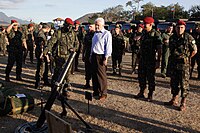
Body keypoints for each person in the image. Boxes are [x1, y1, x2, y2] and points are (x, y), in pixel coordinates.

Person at [164, 20, 197, 111]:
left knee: (184, 84)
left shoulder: (188, 38)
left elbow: (194, 50)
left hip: (184, 65)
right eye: (178, 28)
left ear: (184, 28)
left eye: (181, 28)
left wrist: (187, 58)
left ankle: (183, 102)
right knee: (174, 82)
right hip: (174, 63)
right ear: (175, 28)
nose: (179, 29)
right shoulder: (173, 37)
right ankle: (174, 99)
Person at [42, 18, 79, 96]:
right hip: (58, 58)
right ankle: (54, 91)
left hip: (69, 58)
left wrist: (74, 49)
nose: (69, 28)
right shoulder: (58, 32)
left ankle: (65, 91)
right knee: (57, 74)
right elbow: (51, 43)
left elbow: (77, 43)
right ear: (65, 24)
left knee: (67, 75)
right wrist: (45, 52)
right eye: (68, 26)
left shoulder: (73, 33)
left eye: (71, 26)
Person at [136, 17, 162, 102]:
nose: (144, 25)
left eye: (145, 24)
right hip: (142, 59)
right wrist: (138, 56)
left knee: (150, 78)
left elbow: (159, 49)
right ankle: (142, 91)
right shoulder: (143, 33)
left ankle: (150, 94)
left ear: (150, 25)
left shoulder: (156, 34)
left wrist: (158, 61)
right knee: (141, 76)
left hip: (151, 60)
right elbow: (141, 46)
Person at [90, 18, 112, 100]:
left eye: (98, 25)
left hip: (101, 56)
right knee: (94, 75)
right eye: (95, 25)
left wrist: (106, 58)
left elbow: (108, 47)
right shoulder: (95, 34)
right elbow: (93, 46)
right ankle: (96, 91)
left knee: (101, 75)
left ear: (102, 25)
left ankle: (103, 93)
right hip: (94, 55)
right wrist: (91, 55)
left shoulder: (106, 34)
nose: (96, 26)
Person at [34, 23, 51, 89]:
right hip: (41, 54)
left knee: (45, 68)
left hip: (41, 53)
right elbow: (41, 46)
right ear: (48, 28)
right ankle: (37, 84)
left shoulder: (40, 33)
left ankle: (45, 81)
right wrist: (44, 54)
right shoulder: (41, 35)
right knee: (41, 69)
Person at [82, 23, 95, 89]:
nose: (89, 28)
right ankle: (87, 83)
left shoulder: (97, 35)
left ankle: (95, 85)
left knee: (94, 70)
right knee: (87, 70)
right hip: (87, 54)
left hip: (94, 55)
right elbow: (84, 45)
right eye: (89, 26)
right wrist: (83, 54)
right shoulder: (87, 35)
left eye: (91, 26)